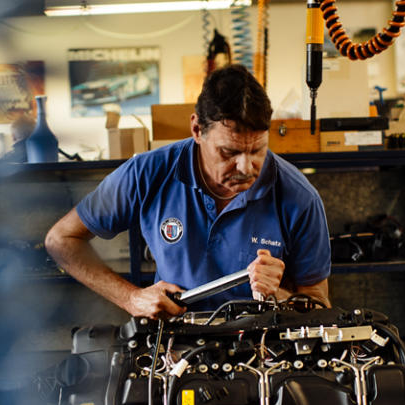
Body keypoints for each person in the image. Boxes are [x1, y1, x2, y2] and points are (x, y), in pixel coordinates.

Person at [44, 64, 331, 318]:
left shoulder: (298, 196)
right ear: (196, 129)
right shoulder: (148, 173)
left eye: (257, 150)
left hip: (261, 345)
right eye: (228, 152)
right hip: (176, 343)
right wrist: (132, 298)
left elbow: (320, 306)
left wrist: (278, 296)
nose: (245, 167)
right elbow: (61, 239)